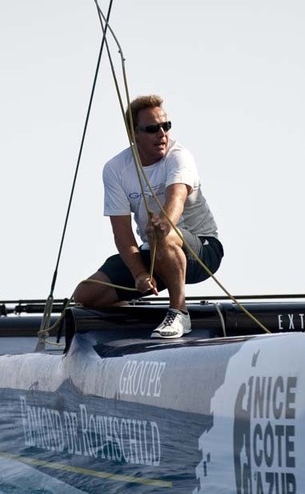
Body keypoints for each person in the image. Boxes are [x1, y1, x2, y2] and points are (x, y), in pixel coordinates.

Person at [72, 94, 223, 338]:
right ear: (134, 134)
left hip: (202, 250)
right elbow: (122, 233)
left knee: (160, 233)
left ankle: (179, 313)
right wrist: (140, 274)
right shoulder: (115, 169)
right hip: (154, 251)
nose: (162, 134)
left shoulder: (179, 156)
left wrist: (164, 226)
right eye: (153, 128)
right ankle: (134, 317)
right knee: (86, 295)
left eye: (166, 126)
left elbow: (176, 200)